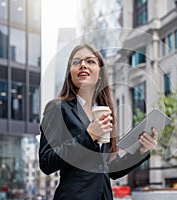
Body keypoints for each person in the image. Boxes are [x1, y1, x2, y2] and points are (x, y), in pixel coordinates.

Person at [39, 44, 159, 200]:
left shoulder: (104, 112)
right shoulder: (57, 108)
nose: (83, 65)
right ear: (70, 73)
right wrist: (88, 136)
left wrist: (141, 151)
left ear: (100, 73)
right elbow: (46, 162)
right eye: (76, 62)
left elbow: (110, 169)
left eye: (90, 61)